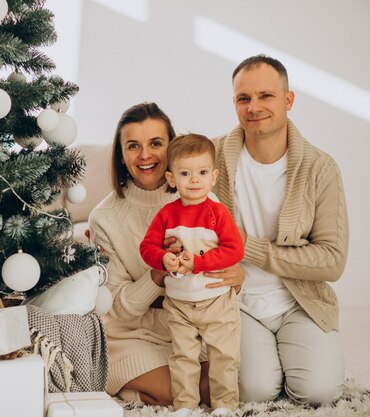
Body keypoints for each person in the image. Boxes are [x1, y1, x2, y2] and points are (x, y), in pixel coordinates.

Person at [88, 102, 244, 406]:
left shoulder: (201, 197)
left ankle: (146, 392)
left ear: (171, 148)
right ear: (121, 155)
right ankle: (142, 389)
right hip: (134, 334)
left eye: (156, 143)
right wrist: (157, 273)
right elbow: (117, 308)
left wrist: (237, 277)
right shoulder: (103, 218)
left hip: (192, 322)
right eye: (133, 146)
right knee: (184, 391)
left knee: (229, 383)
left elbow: (225, 255)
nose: (145, 155)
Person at [213, 54, 349, 404]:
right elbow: (160, 182)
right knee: (254, 391)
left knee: (319, 392)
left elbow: (332, 260)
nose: (254, 107)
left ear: (288, 100)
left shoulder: (320, 168)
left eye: (265, 96)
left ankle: (296, 356)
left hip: (299, 303)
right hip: (237, 303)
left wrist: (249, 247)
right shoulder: (212, 157)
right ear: (234, 104)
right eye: (244, 98)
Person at [139, 133, 244, 417]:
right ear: (172, 179)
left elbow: (234, 251)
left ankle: (224, 404)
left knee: (224, 354)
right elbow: (146, 248)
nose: (194, 180)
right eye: (185, 173)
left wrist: (197, 262)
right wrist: (164, 258)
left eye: (202, 173)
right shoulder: (167, 215)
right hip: (180, 304)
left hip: (216, 301)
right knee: (183, 356)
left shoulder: (218, 213)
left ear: (213, 177)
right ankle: (185, 405)